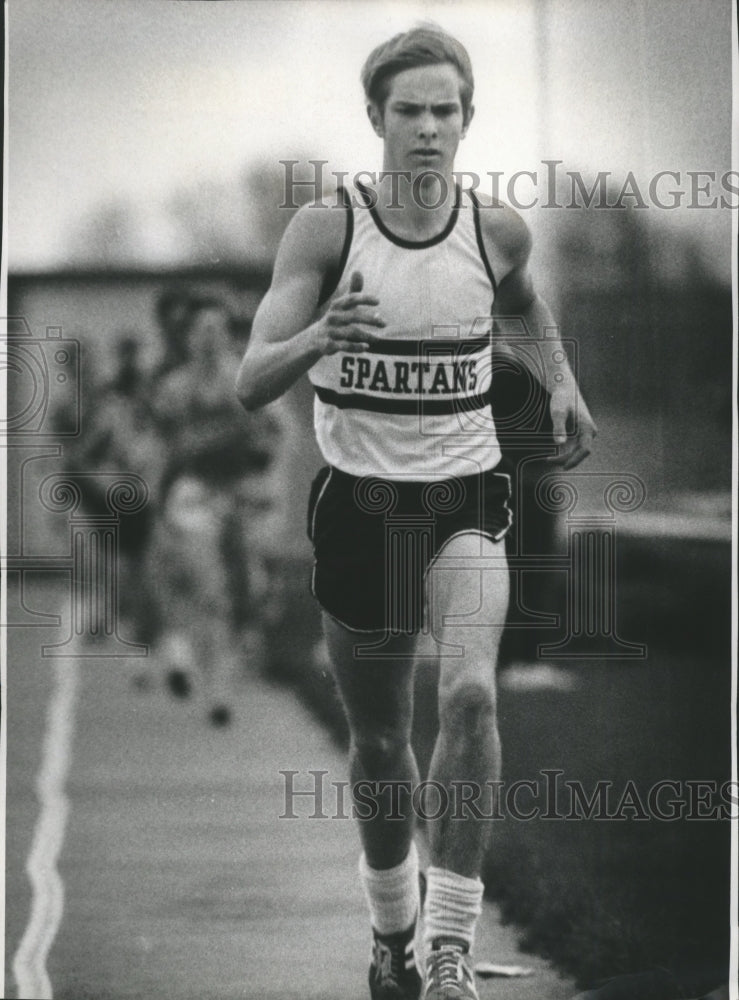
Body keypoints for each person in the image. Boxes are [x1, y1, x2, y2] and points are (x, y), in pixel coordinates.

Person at [236, 24, 596, 1000]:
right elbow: (248, 381)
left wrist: (558, 382)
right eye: (410, 111)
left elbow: (522, 303)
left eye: (446, 110)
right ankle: (391, 933)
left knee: (472, 695)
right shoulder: (325, 228)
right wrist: (318, 334)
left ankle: (446, 945)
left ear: (466, 118)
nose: (429, 128)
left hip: (464, 501)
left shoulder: (493, 229)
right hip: (359, 509)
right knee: (382, 738)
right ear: (376, 118)